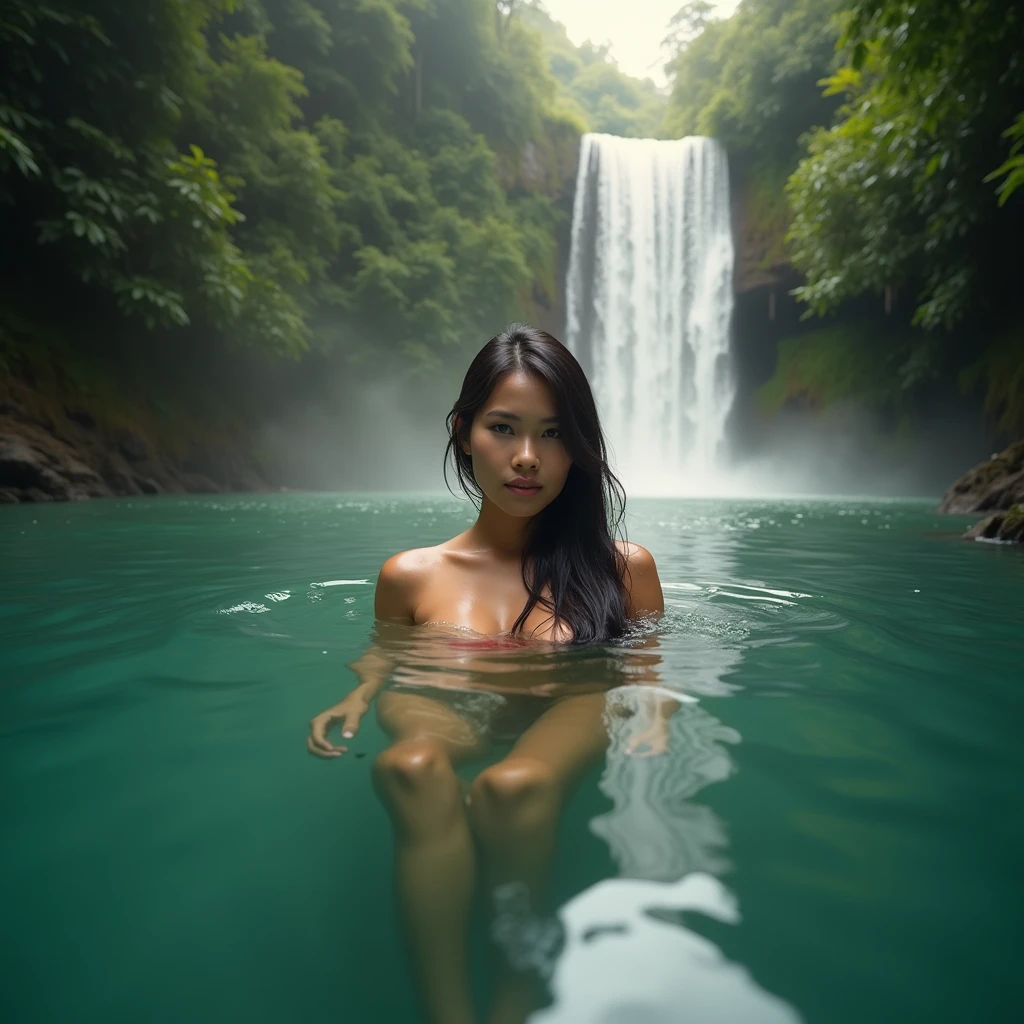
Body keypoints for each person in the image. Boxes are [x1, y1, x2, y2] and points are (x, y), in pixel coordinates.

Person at [307, 323, 677, 1024]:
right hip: (452, 697)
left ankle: (514, 1001)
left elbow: (646, 663)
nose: (527, 458)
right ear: (463, 430)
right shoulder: (410, 575)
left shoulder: (623, 569)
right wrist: (357, 692)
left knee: (516, 788)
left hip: (569, 699)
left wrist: (653, 710)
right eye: (503, 428)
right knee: (410, 769)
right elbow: (387, 650)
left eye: (554, 433)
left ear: (581, 448)